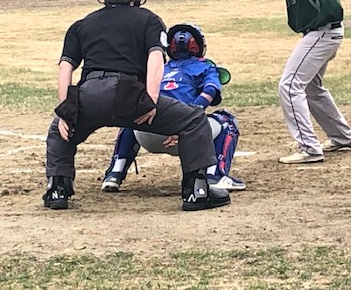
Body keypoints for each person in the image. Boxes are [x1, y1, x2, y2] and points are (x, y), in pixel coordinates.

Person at [42, 0, 230, 211]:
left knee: (59, 131)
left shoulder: (81, 24)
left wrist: (66, 110)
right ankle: (197, 190)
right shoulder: (148, 19)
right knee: (193, 119)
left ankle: (57, 188)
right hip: (128, 93)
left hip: (89, 93)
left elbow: (65, 66)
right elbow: (155, 58)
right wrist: (151, 99)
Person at [241, 0, 351, 164]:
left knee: (290, 85)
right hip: (323, 31)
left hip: (322, 31)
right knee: (312, 88)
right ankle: (342, 136)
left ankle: (309, 148)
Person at [101, 22, 246, 192]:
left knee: (133, 118)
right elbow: (210, 92)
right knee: (227, 121)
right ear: (198, 46)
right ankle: (215, 176)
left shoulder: (159, 67)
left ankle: (114, 174)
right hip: (186, 135)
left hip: (147, 135)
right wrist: (187, 119)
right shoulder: (206, 67)